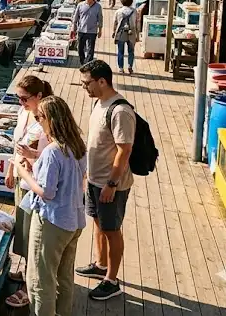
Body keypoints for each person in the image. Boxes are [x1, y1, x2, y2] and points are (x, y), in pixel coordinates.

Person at [14, 96, 88, 316]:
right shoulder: (77, 146)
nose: (38, 122)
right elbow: (67, 174)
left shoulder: (52, 151)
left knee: (40, 279)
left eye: (39, 118)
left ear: (50, 120)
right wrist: (35, 158)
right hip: (74, 218)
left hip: (52, 221)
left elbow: (47, 192)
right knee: (64, 277)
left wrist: (23, 173)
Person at [76, 60, 135, 301]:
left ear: (102, 81)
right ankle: (101, 264)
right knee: (98, 222)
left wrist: (111, 184)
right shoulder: (99, 103)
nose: (84, 87)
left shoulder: (120, 111)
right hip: (94, 179)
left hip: (110, 184)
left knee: (112, 230)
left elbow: (124, 150)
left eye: (86, 83)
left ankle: (111, 280)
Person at [4, 75, 54, 309]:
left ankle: (29, 288)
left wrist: (31, 159)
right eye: (18, 98)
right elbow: (18, 145)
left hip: (36, 183)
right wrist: (11, 169)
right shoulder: (24, 113)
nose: (20, 102)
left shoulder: (47, 121)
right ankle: (26, 272)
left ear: (39, 96)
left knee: (36, 237)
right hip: (22, 179)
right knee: (24, 231)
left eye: (24, 98)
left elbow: (56, 154)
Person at [71, 0, 103, 65]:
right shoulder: (80, 5)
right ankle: (82, 62)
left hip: (92, 31)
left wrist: (100, 30)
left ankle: (88, 64)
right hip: (81, 30)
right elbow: (75, 18)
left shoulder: (98, 6)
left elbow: (100, 19)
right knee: (80, 48)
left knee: (90, 49)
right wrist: (73, 28)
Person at [113, 0, 140, 75]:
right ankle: (130, 66)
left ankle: (121, 68)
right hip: (132, 32)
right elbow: (137, 23)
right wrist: (137, 35)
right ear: (131, 2)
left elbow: (115, 23)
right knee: (131, 51)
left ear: (122, 2)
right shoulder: (135, 11)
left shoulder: (118, 11)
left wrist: (114, 32)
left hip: (121, 33)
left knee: (120, 51)